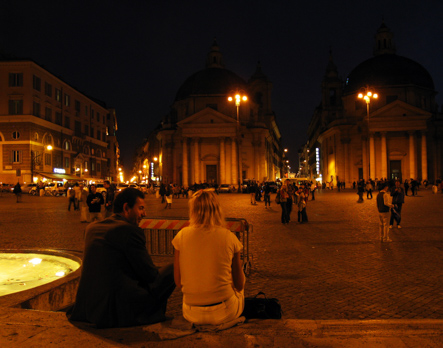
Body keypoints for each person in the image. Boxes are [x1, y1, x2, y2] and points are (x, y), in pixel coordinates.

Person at [68, 188, 175, 328]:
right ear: (126, 208)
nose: (145, 213)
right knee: (174, 269)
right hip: (118, 307)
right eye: (141, 208)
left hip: (89, 305)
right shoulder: (129, 230)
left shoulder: (92, 228)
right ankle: (153, 312)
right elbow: (149, 274)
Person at [171, 190, 245, 325]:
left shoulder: (181, 236)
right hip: (224, 313)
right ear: (217, 210)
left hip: (191, 313)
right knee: (240, 288)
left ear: (192, 210)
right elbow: (239, 285)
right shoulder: (229, 237)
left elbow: (178, 281)